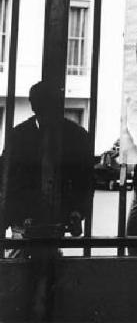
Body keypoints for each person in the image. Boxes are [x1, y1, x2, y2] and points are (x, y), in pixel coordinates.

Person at [2, 81, 92, 257]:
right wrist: (78, 211)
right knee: (42, 263)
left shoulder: (19, 135)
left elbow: (7, 177)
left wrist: (78, 211)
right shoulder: (76, 135)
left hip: (47, 216)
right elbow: (86, 180)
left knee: (22, 263)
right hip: (29, 215)